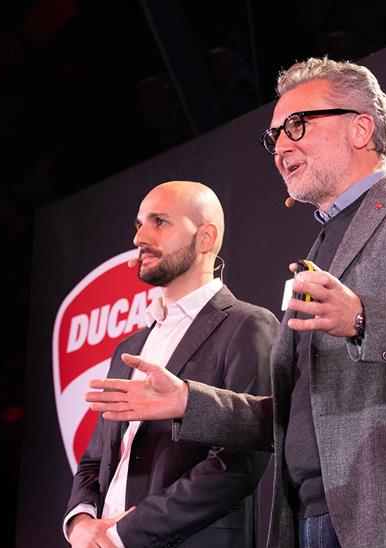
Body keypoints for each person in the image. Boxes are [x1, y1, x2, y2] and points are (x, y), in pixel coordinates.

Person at [87, 58, 386, 547]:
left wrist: (362, 319)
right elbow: (295, 414)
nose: (281, 146)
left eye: (296, 125)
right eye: (274, 137)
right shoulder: (318, 250)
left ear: (359, 128)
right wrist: (189, 401)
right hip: (311, 519)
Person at [64, 181, 278, 548]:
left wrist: (121, 534)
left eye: (159, 222)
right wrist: (82, 522)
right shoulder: (129, 347)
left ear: (205, 237)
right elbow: (95, 458)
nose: (140, 238)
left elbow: (238, 462)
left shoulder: (248, 325)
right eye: (138, 224)